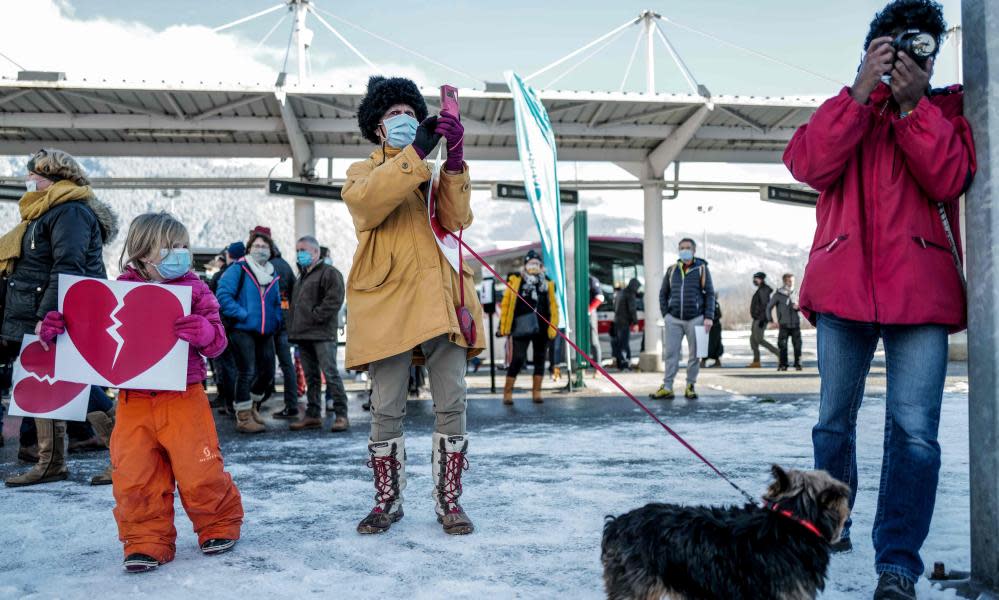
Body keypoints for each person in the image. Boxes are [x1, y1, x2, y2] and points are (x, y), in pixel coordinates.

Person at [784, 2, 973, 597]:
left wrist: (916, 108)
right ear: (872, 50)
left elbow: (949, 177)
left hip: (922, 295)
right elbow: (808, 163)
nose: (910, 58)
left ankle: (897, 564)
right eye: (894, 46)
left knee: (915, 434)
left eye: (923, 48)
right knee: (832, 423)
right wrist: (861, 93)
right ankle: (827, 527)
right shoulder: (850, 108)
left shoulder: (946, 111)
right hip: (843, 290)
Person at [37, 211, 244, 572]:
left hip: (184, 396)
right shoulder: (119, 290)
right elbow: (93, 334)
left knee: (200, 467)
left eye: (184, 246)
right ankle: (146, 539)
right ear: (144, 252)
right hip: (132, 402)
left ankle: (217, 524)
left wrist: (206, 333)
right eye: (171, 246)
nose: (181, 253)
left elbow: (219, 340)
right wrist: (61, 329)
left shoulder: (195, 289)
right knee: (135, 473)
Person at [343, 75, 485, 535]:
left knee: (453, 402)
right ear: (377, 127)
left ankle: (450, 502)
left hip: (442, 299)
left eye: (410, 112)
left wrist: (456, 163)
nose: (403, 119)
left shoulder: (429, 172)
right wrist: (417, 155)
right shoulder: (362, 173)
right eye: (393, 114)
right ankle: (387, 502)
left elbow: (458, 219)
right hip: (387, 302)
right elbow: (367, 205)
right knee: (386, 406)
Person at [0, 148, 118, 487]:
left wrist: (48, 315)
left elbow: (68, 267)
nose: (29, 181)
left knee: (80, 385)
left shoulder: (70, 212)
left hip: (59, 317)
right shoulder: (44, 213)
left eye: (35, 175)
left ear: (52, 177)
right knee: (43, 385)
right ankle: (50, 462)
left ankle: (125, 459)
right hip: (41, 315)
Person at [216, 229, 283, 434]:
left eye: (264, 246)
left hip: (266, 330)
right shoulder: (239, 269)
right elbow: (223, 295)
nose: (260, 249)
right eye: (256, 246)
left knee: (267, 373)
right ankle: (243, 417)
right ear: (249, 249)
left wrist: (276, 319)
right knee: (246, 372)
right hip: (242, 329)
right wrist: (243, 314)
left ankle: (253, 407)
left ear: (270, 251)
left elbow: (276, 302)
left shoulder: (271, 273)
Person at [286, 235, 349, 432]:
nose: (299, 254)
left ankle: (341, 414)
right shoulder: (302, 276)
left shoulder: (329, 273)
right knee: (311, 377)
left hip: (322, 334)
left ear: (315, 252)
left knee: (330, 374)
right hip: (303, 334)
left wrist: (315, 316)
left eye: (302, 250)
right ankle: (313, 415)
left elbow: (334, 300)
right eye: (297, 250)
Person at [650, 238, 714, 401]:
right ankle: (667, 387)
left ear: (694, 250)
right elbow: (663, 293)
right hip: (674, 319)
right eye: (682, 248)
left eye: (688, 248)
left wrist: (708, 317)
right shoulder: (672, 270)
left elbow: (710, 294)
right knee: (671, 354)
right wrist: (666, 314)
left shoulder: (702, 269)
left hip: (697, 318)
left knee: (695, 355)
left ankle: (690, 386)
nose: (684, 250)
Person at [497, 250, 560, 405]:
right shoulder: (516, 280)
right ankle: (507, 392)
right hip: (521, 326)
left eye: (537, 263)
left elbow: (553, 306)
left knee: (540, 359)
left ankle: (536, 392)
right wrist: (504, 325)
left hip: (542, 326)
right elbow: (507, 305)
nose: (534, 266)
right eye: (531, 263)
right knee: (518, 359)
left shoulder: (548, 283)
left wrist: (554, 325)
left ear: (541, 266)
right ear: (525, 265)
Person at [256, 226, 298, 418]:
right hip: (285, 320)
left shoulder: (264, 267)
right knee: (286, 364)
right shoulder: (285, 265)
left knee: (263, 362)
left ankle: (257, 400)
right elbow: (294, 293)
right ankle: (292, 404)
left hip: (269, 321)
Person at [210, 242, 243, 416]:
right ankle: (240, 402)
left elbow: (213, 303)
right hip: (242, 328)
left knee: (226, 367)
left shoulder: (221, 276)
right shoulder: (247, 273)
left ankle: (229, 402)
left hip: (224, 326)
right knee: (241, 368)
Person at [767, 273, 803, 371]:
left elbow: (804, 306)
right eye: (790, 281)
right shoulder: (778, 294)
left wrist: (799, 307)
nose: (792, 283)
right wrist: (771, 320)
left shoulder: (797, 293)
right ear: (785, 282)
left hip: (796, 324)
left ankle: (798, 364)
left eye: (793, 281)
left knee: (798, 345)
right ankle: (783, 365)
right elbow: (769, 307)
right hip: (783, 324)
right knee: (782, 346)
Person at [747, 272, 779, 368]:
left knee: (759, 339)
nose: (754, 281)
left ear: (761, 279)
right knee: (753, 340)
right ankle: (756, 361)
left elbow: (765, 306)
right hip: (756, 319)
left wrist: (763, 320)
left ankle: (779, 354)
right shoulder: (761, 290)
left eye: (755, 279)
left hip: (760, 320)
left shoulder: (764, 290)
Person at [612, 279, 640, 371]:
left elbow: (615, 307)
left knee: (620, 344)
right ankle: (625, 365)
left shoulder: (620, 293)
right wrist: (635, 323)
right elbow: (632, 310)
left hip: (617, 322)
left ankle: (620, 364)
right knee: (624, 344)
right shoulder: (630, 294)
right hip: (624, 323)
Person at [588, 274, 604, 371]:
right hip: (576, 313)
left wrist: (589, 310)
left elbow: (600, 297)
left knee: (594, 340)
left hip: (589, 312)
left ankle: (598, 368)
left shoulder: (591, 279)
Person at [703, 300, 724, 368]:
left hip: (715, 326)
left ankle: (717, 361)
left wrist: (711, 319)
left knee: (715, 344)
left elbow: (719, 315)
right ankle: (703, 360)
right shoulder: (704, 302)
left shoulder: (714, 303)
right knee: (704, 343)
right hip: (707, 326)